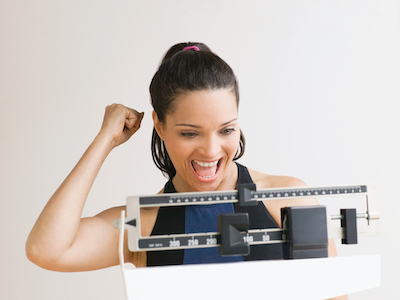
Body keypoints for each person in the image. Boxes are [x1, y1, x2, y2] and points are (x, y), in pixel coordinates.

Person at [26, 42, 347, 299]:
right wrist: (105, 140)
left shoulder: (286, 201)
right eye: (190, 133)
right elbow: (48, 250)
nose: (210, 150)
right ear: (159, 126)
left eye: (226, 130)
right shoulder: (146, 222)